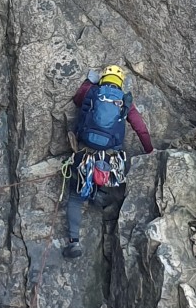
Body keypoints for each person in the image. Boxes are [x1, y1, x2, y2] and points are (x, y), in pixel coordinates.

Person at [63, 65, 153, 260]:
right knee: (113, 182)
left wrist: (89, 82)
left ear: (104, 78)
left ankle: (74, 242)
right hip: (110, 158)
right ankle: (100, 195)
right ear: (120, 82)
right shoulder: (125, 101)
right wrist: (150, 151)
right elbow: (141, 129)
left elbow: (78, 100)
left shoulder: (92, 91)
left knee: (75, 196)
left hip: (84, 151)